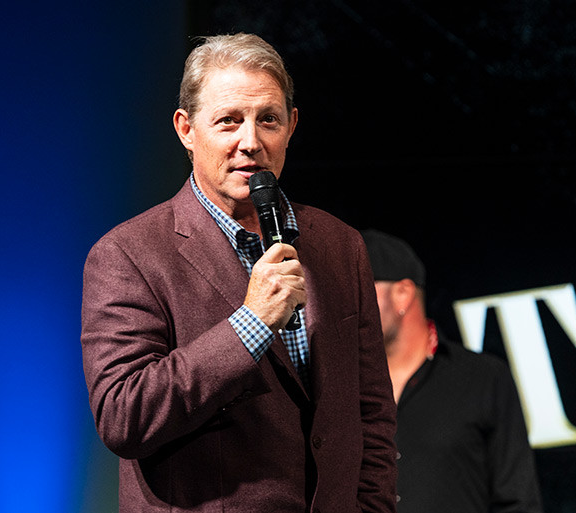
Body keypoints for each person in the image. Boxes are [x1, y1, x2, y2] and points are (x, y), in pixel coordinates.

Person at [81, 33, 398, 513]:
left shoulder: (340, 245)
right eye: (228, 120)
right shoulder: (128, 254)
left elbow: (371, 414)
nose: (250, 142)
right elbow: (124, 416)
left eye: (268, 119)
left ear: (291, 126)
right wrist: (251, 322)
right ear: (187, 130)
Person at [361, 229, 544, 513]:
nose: (342, 306)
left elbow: (518, 501)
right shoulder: (336, 388)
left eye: (356, 290)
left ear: (402, 294)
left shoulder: (483, 378)